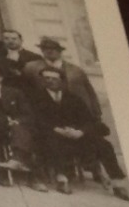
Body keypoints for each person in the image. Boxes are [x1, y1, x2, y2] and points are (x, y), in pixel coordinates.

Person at [29, 64, 97, 195]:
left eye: (53, 78)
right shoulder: (35, 97)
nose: (49, 81)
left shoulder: (73, 98)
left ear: (61, 80)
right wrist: (56, 130)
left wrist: (79, 132)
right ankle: (62, 179)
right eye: (46, 78)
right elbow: (35, 119)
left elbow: (88, 120)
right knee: (53, 142)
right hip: (48, 135)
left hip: (73, 135)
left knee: (103, 144)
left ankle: (116, 181)